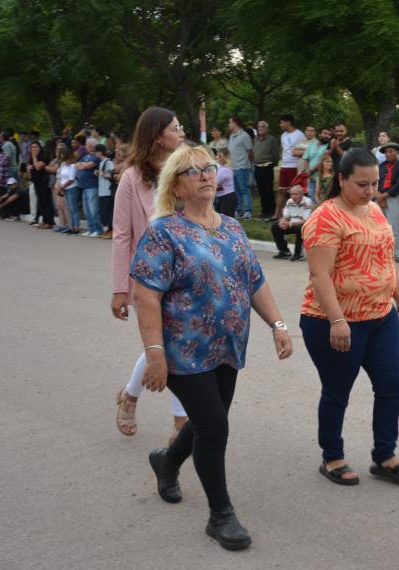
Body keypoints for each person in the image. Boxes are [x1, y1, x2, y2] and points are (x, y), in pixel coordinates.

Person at [132, 144, 292, 551]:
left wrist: (278, 325)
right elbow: (146, 296)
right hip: (183, 352)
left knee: (208, 421)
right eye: (193, 171)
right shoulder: (163, 232)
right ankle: (220, 514)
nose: (204, 175)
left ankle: (166, 462)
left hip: (227, 348)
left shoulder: (232, 227)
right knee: (215, 427)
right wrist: (154, 355)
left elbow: (254, 281)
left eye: (209, 168)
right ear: (176, 185)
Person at [299, 147, 399, 487]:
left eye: (374, 184)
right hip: (334, 321)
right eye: (361, 185)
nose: (369, 192)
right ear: (341, 180)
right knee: (337, 391)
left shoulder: (375, 211)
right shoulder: (325, 217)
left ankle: (385, 456)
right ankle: (332, 456)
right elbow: (320, 276)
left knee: (391, 385)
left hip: (381, 317)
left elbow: (386, 261)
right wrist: (337, 320)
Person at [111, 107, 187, 442]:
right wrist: (118, 288)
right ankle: (180, 421)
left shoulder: (187, 167)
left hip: (185, 271)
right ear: (158, 136)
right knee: (166, 343)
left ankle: (129, 396)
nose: (181, 132)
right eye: (175, 127)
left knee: (170, 343)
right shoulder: (132, 177)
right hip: (150, 275)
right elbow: (122, 234)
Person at [376, 141, 399, 262]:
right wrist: (378, 195)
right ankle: (383, 252)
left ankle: (398, 253)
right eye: (386, 152)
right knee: (379, 227)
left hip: (393, 198)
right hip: (379, 197)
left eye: (390, 151)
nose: (388, 154)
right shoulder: (381, 166)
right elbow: (376, 181)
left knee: (395, 226)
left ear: (397, 152)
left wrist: (385, 195)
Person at [274, 114, 305, 220]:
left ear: (288, 122)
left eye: (281, 122)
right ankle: (277, 214)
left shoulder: (299, 135)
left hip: (294, 166)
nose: (280, 125)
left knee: (294, 191)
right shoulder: (283, 135)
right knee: (281, 190)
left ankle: (295, 214)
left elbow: (306, 150)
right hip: (284, 165)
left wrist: (297, 154)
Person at [271, 184, 314, 261]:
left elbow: (306, 220)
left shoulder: (307, 202)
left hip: (305, 226)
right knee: (275, 226)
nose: (293, 196)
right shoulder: (289, 201)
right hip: (291, 224)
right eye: (291, 194)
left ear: (302, 194)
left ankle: (298, 254)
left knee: (300, 228)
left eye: (296, 194)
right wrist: (282, 222)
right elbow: (286, 217)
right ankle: (284, 251)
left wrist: (289, 224)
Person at [76, 138, 104, 237]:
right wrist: (83, 165)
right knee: (86, 209)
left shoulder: (96, 157)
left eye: (87, 145)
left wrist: (83, 165)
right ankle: (91, 228)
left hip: (92, 186)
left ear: (91, 146)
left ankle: (98, 229)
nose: (85, 146)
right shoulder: (85, 156)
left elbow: (87, 166)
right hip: (84, 186)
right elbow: (77, 165)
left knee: (93, 209)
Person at [252, 121, 279, 220]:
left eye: (263, 127)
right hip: (257, 167)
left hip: (267, 167)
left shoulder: (271, 139)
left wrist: (272, 163)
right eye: (259, 126)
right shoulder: (255, 139)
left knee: (268, 190)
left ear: (266, 128)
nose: (260, 128)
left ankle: (270, 211)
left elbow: (275, 154)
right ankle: (264, 211)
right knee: (261, 190)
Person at [227, 116, 253, 219]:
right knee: (236, 190)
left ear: (235, 123)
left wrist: (248, 164)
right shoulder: (231, 136)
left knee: (244, 189)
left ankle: (247, 210)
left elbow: (250, 151)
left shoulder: (244, 135)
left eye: (230, 123)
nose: (229, 125)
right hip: (233, 167)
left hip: (242, 167)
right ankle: (239, 210)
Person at [28, 141, 55, 229]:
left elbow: (38, 167)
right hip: (36, 182)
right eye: (32, 147)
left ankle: (49, 222)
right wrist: (29, 169)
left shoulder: (44, 157)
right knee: (41, 202)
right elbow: (30, 170)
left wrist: (34, 157)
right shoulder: (31, 157)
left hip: (44, 181)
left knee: (46, 201)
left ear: (40, 148)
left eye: (36, 147)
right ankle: (44, 220)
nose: (34, 149)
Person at [54, 147, 80, 234]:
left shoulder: (73, 165)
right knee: (69, 208)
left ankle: (76, 227)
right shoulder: (63, 164)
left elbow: (71, 179)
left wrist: (62, 187)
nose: (61, 156)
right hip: (65, 188)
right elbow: (60, 176)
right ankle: (71, 226)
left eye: (62, 154)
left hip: (71, 188)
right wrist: (59, 185)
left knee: (73, 208)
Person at [301, 127, 332, 202]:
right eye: (325, 133)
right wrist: (307, 172)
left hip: (323, 179)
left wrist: (310, 172)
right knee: (312, 200)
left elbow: (322, 161)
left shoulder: (329, 147)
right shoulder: (312, 144)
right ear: (319, 134)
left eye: (329, 134)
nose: (327, 136)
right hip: (311, 179)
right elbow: (305, 158)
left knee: (322, 200)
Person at [95, 144, 116, 238]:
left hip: (107, 190)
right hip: (102, 191)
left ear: (100, 152)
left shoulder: (108, 162)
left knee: (108, 211)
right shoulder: (101, 162)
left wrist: (102, 173)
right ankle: (107, 230)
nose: (95, 153)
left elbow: (111, 175)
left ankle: (111, 230)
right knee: (103, 211)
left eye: (96, 151)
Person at [214, 148, 237, 218]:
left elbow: (214, 183)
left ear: (223, 158)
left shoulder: (224, 170)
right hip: (223, 197)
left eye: (219, 156)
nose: (216, 157)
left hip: (227, 198)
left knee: (226, 221)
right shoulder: (222, 168)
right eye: (217, 155)